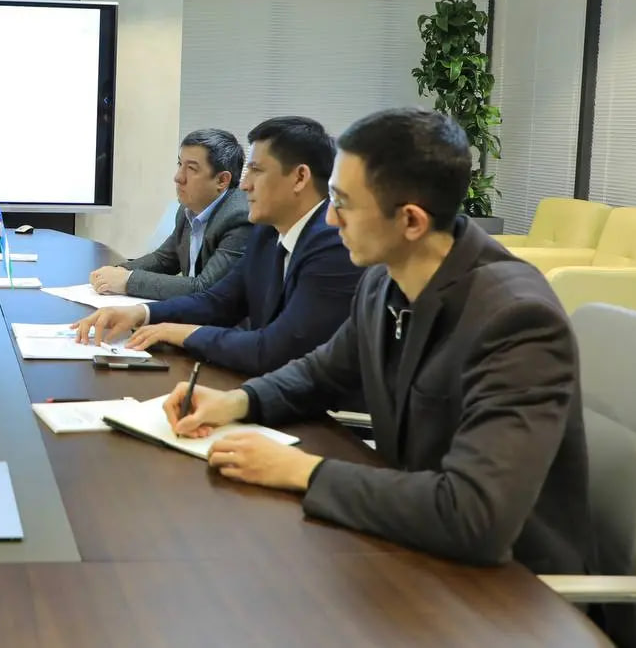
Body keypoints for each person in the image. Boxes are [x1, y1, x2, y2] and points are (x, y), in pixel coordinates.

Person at [163, 107, 592, 574]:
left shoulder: (516, 320)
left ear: (411, 221)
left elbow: (474, 514)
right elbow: (321, 372)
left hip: (512, 587)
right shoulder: (384, 280)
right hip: (411, 544)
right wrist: (238, 402)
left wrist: (302, 470)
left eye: (344, 203)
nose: (330, 219)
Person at [74, 116, 362, 378]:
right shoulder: (267, 232)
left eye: (256, 171)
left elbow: (275, 350)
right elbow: (218, 302)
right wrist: (141, 313)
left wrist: (179, 332)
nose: (244, 185)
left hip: (331, 408)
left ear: (300, 177)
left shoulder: (333, 245)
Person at [89, 128, 250, 299]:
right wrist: (119, 271)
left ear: (222, 180)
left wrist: (128, 281)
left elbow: (206, 289)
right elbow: (164, 259)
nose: (178, 177)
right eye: (180, 164)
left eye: (191, 169)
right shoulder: (189, 209)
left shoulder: (240, 217)